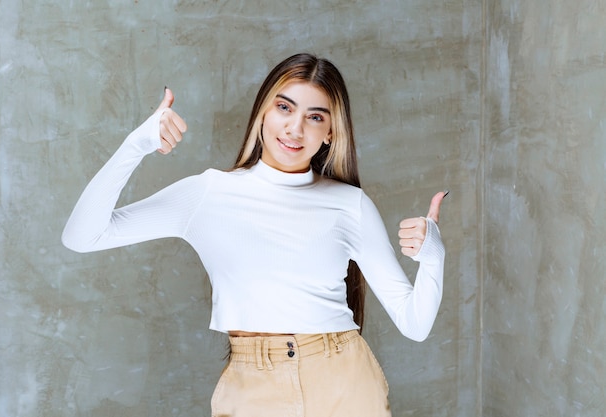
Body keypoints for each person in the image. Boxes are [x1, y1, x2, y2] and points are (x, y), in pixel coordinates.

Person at [62, 53, 446, 417]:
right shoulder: (207, 193)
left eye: (315, 117)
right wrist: (137, 144)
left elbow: (415, 324)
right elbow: (82, 236)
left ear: (330, 133)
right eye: (284, 107)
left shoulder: (350, 204)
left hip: (344, 383)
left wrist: (432, 256)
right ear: (263, 110)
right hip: (252, 387)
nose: (295, 129)